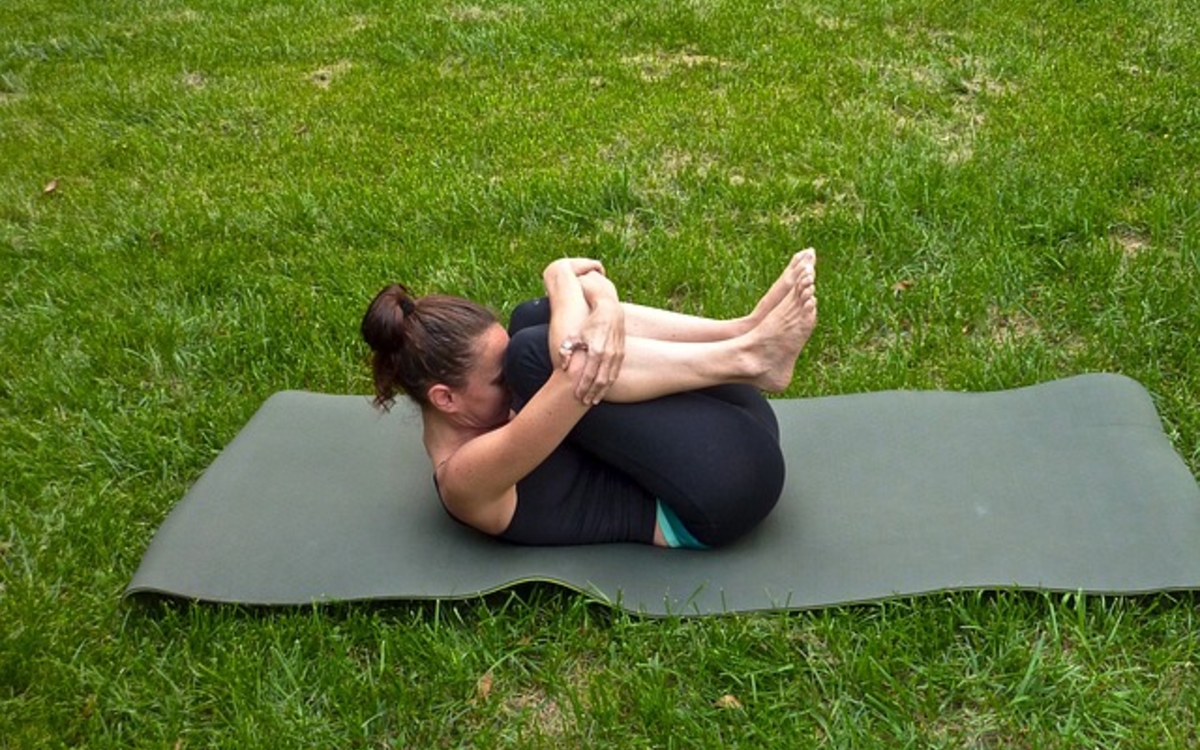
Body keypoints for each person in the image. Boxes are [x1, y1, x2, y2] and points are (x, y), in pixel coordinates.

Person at [360, 250, 817, 548]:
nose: (512, 389)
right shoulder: (464, 479)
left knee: (532, 319)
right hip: (722, 493)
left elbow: (587, 304)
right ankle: (747, 357)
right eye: (497, 381)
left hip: (736, 421)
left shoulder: (480, 407)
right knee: (537, 353)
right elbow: (576, 362)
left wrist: (604, 298)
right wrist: (560, 276)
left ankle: (739, 331)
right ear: (446, 399)